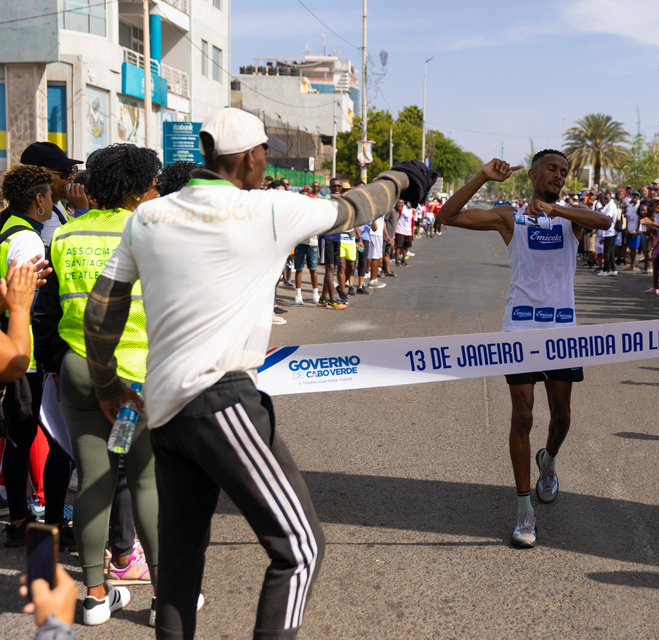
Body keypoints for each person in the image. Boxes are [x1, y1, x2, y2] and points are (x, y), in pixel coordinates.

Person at [81, 107, 434, 638]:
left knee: (178, 567)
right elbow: (355, 208)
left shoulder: (148, 218)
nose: (265, 160)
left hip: (164, 412)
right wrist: (402, 177)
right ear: (251, 158)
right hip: (220, 401)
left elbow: (102, 307)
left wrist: (107, 385)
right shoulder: (267, 210)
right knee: (301, 549)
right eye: (264, 152)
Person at [437, 151, 610, 548]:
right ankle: (522, 509)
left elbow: (606, 221)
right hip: (520, 328)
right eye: (552, 169)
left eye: (564, 172)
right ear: (532, 173)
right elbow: (446, 216)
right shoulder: (509, 217)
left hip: (563, 330)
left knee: (562, 417)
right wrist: (482, 177)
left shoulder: (571, 218)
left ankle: (547, 461)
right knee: (524, 415)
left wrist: (558, 209)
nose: (559, 176)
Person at [34, 144, 162, 626]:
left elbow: (49, 311)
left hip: (78, 375)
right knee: (145, 478)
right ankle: (166, 598)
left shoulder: (65, 234)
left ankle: (93, 596)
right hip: (130, 379)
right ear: (134, 189)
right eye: (151, 183)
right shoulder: (148, 234)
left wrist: (54, 365)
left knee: (94, 479)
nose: (155, 192)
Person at [0, 165, 72, 553]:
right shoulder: (27, 240)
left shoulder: (3, 227)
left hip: (8, 346)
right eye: (48, 195)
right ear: (40, 198)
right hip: (20, 352)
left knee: (16, 437)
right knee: (29, 435)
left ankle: (18, 518)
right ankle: (28, 521)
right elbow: (27, 301)